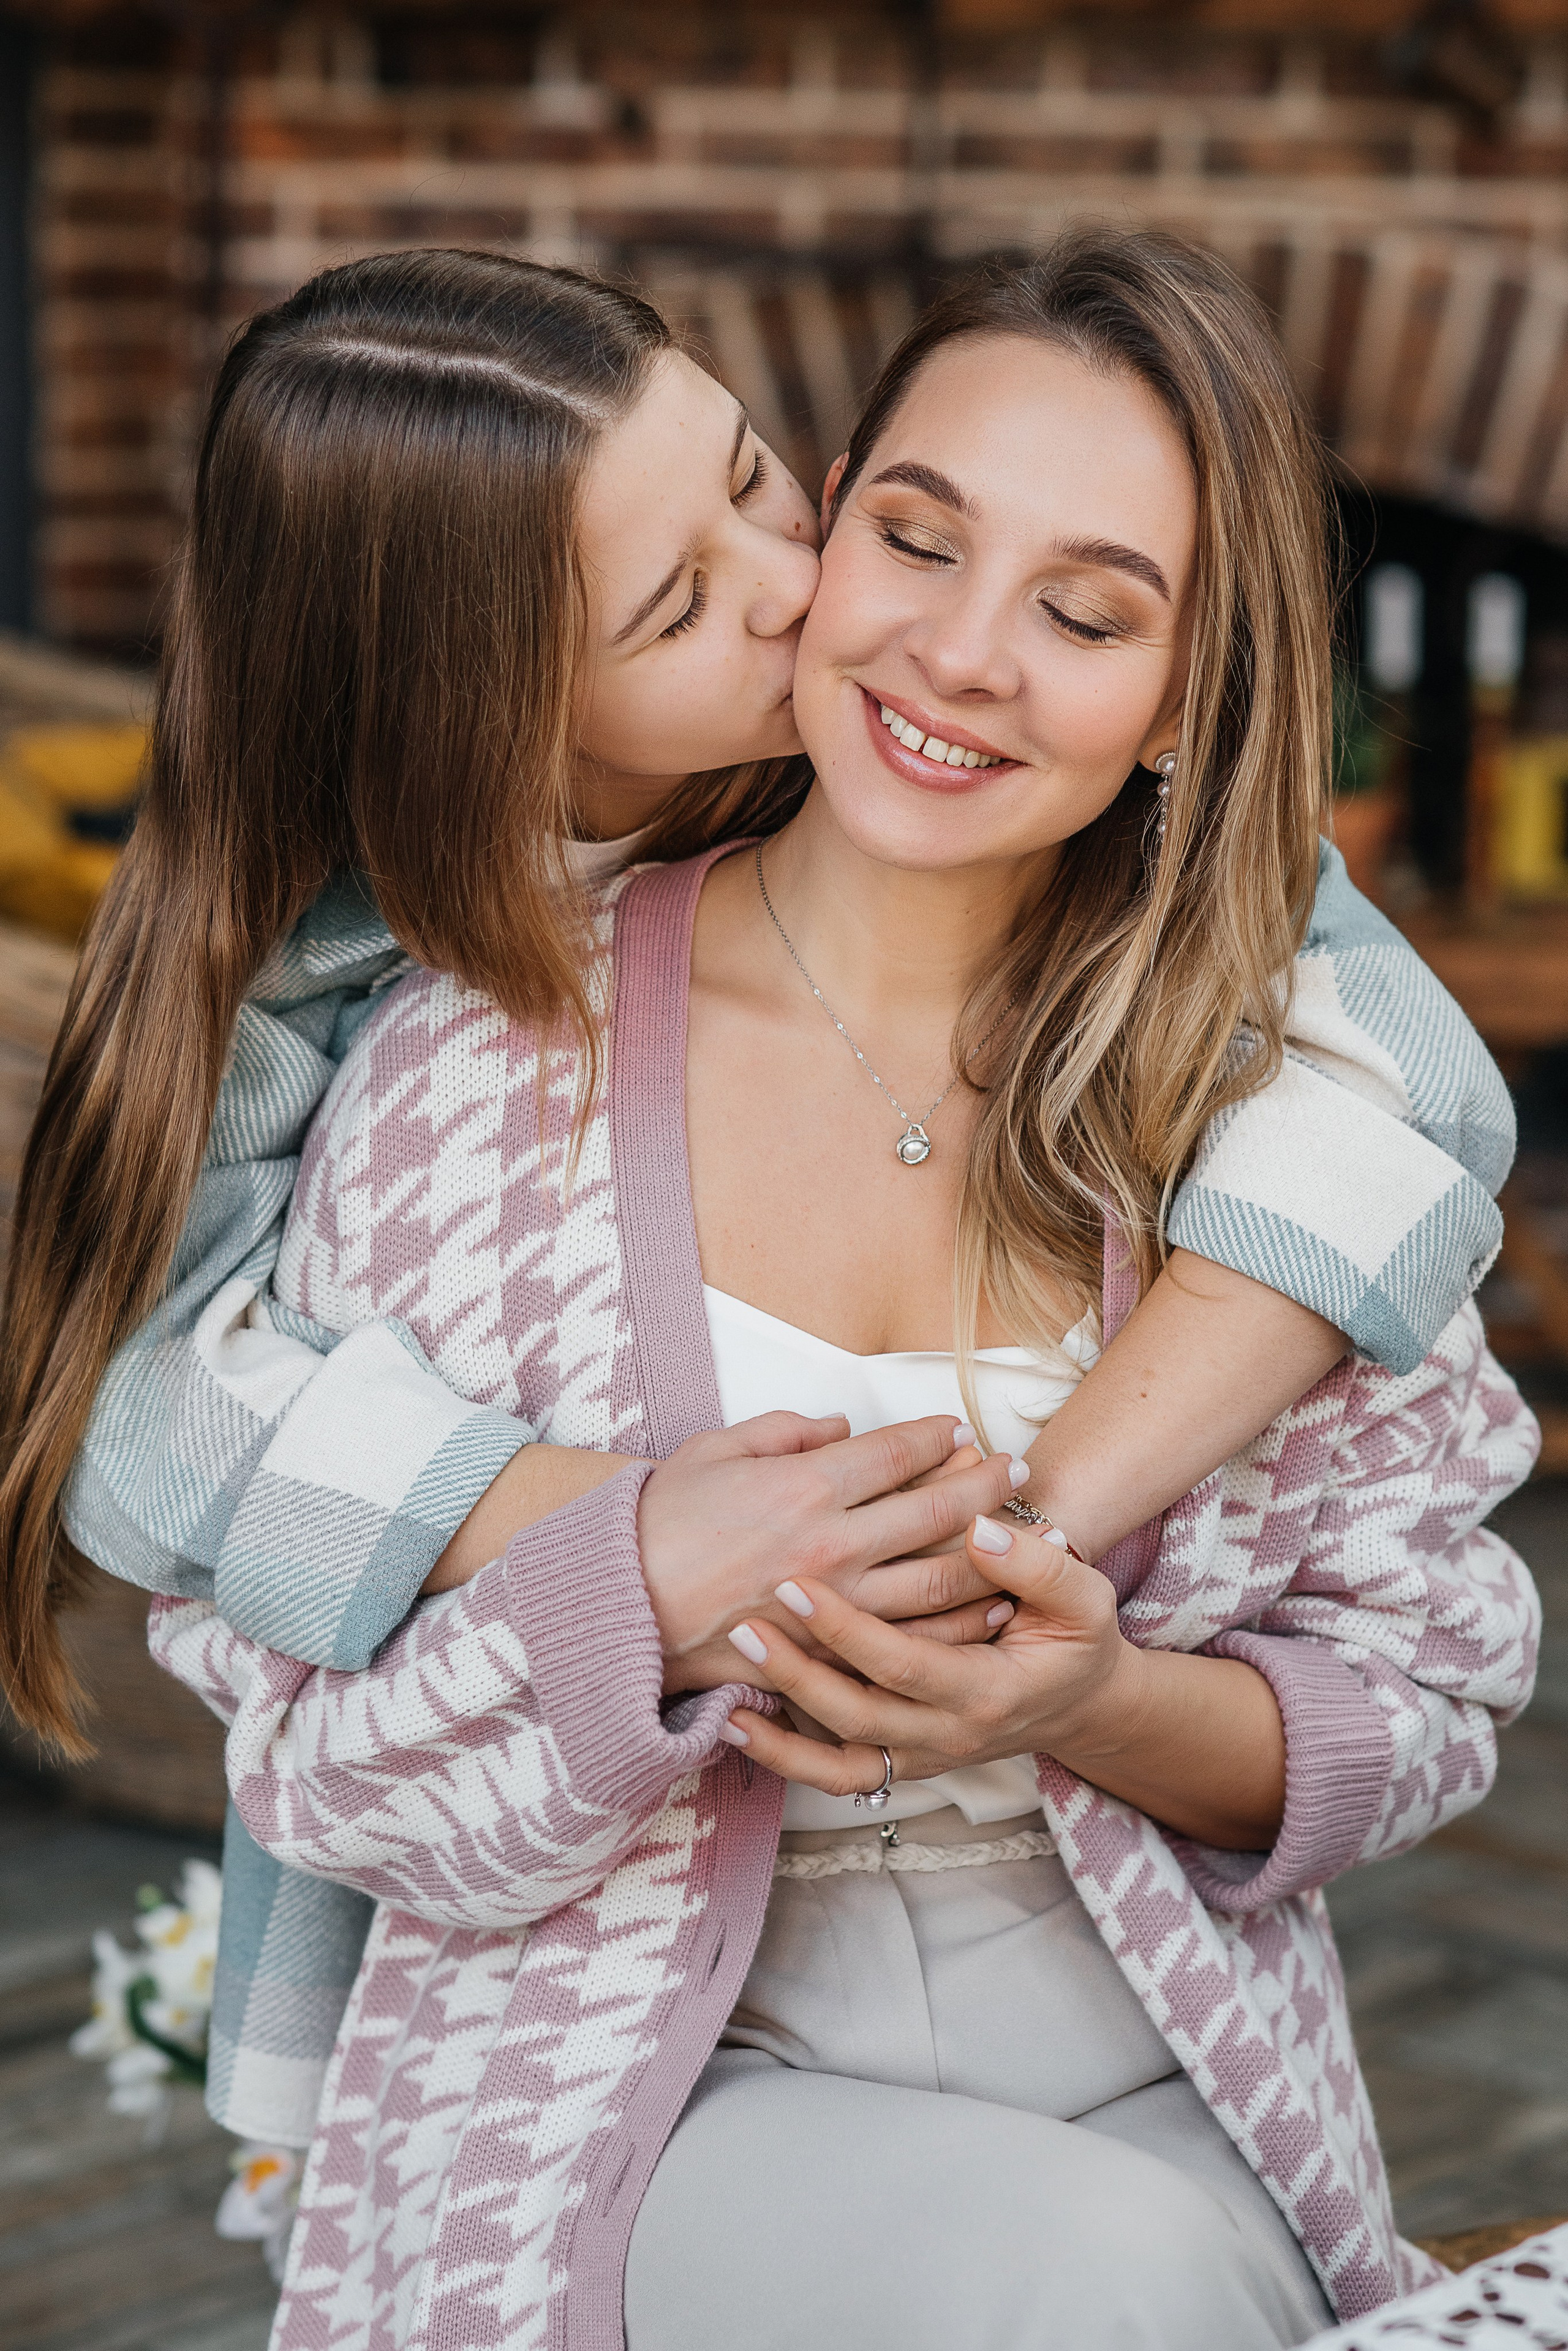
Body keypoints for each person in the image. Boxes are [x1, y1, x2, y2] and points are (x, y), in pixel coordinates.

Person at [138, 232, 1537, 2351]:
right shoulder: (478, 1071)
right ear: (839, 508)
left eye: (1085, 614)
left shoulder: (1279, 1130)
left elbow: (1423, 1696)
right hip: (641, 2087)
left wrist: (1093, 1701)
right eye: (912, 535)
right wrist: (636, 1587)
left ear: (1188, 703)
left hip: (1175, 2052)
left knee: (1181, 2280)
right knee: (1120, 2298)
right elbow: (330, 1785)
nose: (964, 655)